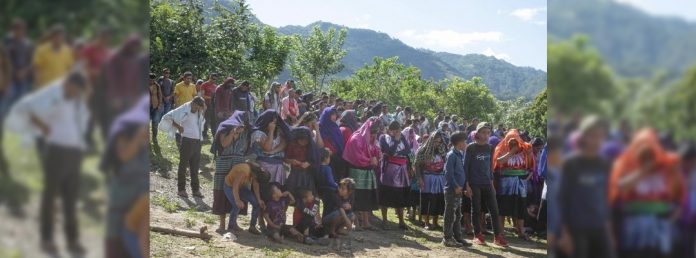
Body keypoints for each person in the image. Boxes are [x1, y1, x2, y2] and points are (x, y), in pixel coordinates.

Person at [5, 72, 90, 255]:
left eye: (78, 89)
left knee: (70, 199)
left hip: (74, 153)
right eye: (73, 87)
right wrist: (43, 127)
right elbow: (27, 109)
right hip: (56, 152)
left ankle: (72, 239)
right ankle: (47, 237)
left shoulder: (78, 104)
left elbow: (82, 126)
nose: (75, 91)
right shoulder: (53, 100)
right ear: (68, 84)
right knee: (50, 196)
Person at [609, 129, 684, 258]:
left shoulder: (667, 166)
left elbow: (679, 194)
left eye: (651, 153)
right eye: (644, 154)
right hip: (634, 227)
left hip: (661, 225)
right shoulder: (625, 164)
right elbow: (620, 188)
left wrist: (676, 212)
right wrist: (643, 170)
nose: (648, 158)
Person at [558, 116, 615, 258]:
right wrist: (564, 234)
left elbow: (605, 198)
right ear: (583, 137)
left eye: (600, 136)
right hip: (577, 229)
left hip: (600, 227)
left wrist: (609, 230)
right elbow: (562, 200)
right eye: (593, 136)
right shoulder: (571, 164)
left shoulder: (604, 164)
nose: (596, 141)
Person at [100, 96, 149, 258]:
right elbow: (124, 156)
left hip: (138, 201)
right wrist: (138, 137)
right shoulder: (125, 130)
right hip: (122, 201)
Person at [465, 122, 508, 247]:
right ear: (477, 133)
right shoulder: (470, 148)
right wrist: (466, 185)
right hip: (474, 183)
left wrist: (491, 182)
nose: (486, 135)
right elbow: (466, 167)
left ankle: (498, 237)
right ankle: (477, 235)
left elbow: (490, 167)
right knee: (476, 209)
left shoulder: (490, 148)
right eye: (483, 132)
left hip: (487, 183)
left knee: (494, 210)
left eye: (488, 133)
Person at [210, 111, 251, 233]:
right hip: (224, 165)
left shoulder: (246, 133)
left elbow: (245, 149)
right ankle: (222, 224)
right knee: (222, 192)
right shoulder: (224, 128)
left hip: (238, 164)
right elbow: (224, 144)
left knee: (238, 191)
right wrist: (233, 132)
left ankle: (234, 222)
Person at [159, 96, 206, 198]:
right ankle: (181, 189)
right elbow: (167, 117)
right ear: (193, 103)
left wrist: (203, 110)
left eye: (200, 108)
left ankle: (195, 190)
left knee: (195, 166)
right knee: (183, 165)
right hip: (186, 140)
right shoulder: (184, 109)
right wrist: (179, 126)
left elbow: (201, 123)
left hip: (197, 141)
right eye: (197, 107)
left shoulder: (198, 112)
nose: (198, 109)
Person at [493, 129, 536, 240]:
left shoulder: (525, 149)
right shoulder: (501, 149)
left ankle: (520, 231)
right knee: (503, 206)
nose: (512, 143)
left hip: (521, 182)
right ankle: (501, 232)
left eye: (515, 141)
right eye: (510, 141)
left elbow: (530, 165)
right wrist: (511, 152)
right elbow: (498, 162)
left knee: (521, 207)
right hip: (505, 184)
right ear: (506, 140)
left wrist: (530, 154)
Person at [342, 117, 381, 230]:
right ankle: (355, 223)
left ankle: (366, 222)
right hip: (356, 171)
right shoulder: (356, 138)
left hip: (367, 171)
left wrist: (377, 155)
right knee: (356, 196)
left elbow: (373, 150)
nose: (374, 136)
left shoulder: (370, 139)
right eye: (373, 134)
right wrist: (370, 160)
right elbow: (357, 157)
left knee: (366, 197)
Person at [378, 121, 411, 230]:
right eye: (395, 130)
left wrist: (398, 150)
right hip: (389, 170)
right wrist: (396, 141)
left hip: (401, 169)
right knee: (386, 194)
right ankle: (384, 220)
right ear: (390, 130)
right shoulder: (383, 138)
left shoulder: (402, 137)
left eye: (398, 130)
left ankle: (401, 221)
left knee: (399, 195)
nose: (397, 133)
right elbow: (390, 152)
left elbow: (407, 150)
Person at [414, 130, 447, 230]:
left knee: (438, 199)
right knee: (427, 199)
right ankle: (426, 222)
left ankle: (435, 222)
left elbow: (445, 162)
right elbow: (417, 165)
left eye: (439, 142)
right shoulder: (422, 150)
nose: (437, 144)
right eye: (435, 141)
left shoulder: (442, 151)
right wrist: (419, 178)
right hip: (427, 178)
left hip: (440, 178)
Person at [442, 131, 470, 247]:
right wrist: (455, 186)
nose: (466, 143)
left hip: (458, 190)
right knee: (450, 214)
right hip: (452, 190)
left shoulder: (460, 154)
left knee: (457, 215)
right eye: (464, 141)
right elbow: (448, 173)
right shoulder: (452, 155)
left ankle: (458, 237)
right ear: (459, 142)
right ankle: (447, 238)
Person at [224, 162, 268, 235]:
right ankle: (231, 228)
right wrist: (238, 200)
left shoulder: (256, 172)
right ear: (254, 174)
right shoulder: (244, 171)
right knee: (236, 205)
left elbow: (255, 185)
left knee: (256, 203)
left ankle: (252, 226)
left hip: (241, 187)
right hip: (230, 186)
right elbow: (235, 186)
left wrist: (259, 199)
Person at [251, 110, 289, 185]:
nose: (274, 125)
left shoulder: (278, 131)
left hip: (278, 167)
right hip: (264, 167)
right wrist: (271, 131)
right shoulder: (257, 133)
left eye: (275, 122)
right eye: (272, 122)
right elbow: (267, 147)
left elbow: (284, 142)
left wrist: (273, 151)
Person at [32, 24, 74, 89]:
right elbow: (37, 69)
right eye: (56, 36)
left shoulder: (67, 50)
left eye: (61, 36)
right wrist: (38, 85)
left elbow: (70, 69)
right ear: (51, 37)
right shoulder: (42, 50)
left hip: (61, 87)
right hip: (45, 87)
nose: (58, 38)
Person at [3, 18, 33, 105]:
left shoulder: (28, 44)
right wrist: (14, 71)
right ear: (13, 30)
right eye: (17, 28)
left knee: (21, 102)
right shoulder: (7, 42)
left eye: (22, 29)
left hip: (24, 78)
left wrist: (25, 71)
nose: (19, 31)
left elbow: (31, 61)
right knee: (6, 102)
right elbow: (5, 60)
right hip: (10, 78)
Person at [285, 126, 320, 199]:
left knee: (308, 196)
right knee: (291, 195)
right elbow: (285, 158)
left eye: (305, 141)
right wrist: (291, 161)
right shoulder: (292, 145)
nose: (303, 143)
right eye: (301, 140)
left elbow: (315, 159)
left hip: (307, 174)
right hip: (294, 173)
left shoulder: (311, 146)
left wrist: (309, 163)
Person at [320, 106, 347, 181]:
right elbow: (323, 143)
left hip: (338, 157)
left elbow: (340, 142)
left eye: (335, 114)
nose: (334, 116)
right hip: (327, 158)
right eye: (331, 114)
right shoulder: (321, 127)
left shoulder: (335, 127)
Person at [199, 73, 218, 139]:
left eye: (215, 79)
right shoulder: (204, 84)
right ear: (209, 77)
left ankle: (214, 134)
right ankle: (204, 133)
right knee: (206, 120)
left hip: (213, 105)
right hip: (206, 104)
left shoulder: (215, 86)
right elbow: (202, 95)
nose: (213, 80)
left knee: (214, 120)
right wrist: (210, 97)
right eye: (212, 78)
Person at [149, 73, 163, 144]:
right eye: (150, 80)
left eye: (153, 80)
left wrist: (159, 105)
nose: (152, 81)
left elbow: (160, 95)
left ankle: (154, 137)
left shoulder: (157, 85)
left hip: (155, 106)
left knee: (155, 123)